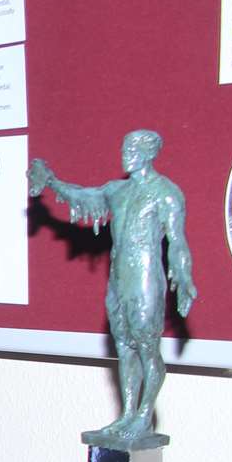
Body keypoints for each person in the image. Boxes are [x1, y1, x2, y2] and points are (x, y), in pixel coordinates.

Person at [28, 131, 197, 444]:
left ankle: (144, 414)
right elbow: (82, 196)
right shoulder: (117, 190)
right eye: (124, 147)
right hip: (119, 277)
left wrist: (184, 279)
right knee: (124, 345)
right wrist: (50, 180)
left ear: (149, 152)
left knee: (147, 344)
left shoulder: (167, 193)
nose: (126, 152)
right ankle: (127, 413)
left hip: (145, 276)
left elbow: (177, 242)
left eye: (132, 147)